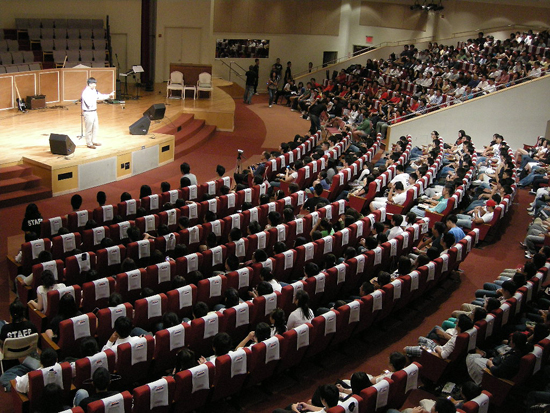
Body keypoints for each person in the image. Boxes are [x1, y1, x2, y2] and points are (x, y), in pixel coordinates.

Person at [81, 77, 114, 149]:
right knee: (89, 128)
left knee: (95, 127)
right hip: (88, 112)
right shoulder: (85, 92)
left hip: (94, 111)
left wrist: (108, 96)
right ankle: (89, 143)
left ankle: (94, 141)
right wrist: (95, 97)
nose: (95, 85)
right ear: (90, 84)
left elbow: (100, 96)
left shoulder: (94, 91)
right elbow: (89, 103)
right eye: (94, 84)